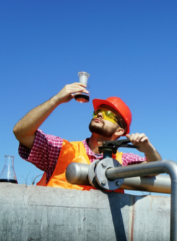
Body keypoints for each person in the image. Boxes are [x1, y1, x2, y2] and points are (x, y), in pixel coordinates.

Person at [13, 82, 161, 191]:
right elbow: (21, 132)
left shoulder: (122, 162)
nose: (100, 114)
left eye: (108, 114)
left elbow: (155, 168)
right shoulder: (62, 150)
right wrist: (56, 99)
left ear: (120, 131)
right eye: (97, 112)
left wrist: (148, 149)